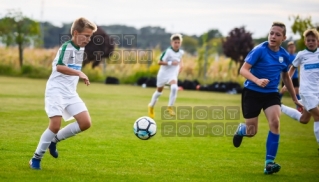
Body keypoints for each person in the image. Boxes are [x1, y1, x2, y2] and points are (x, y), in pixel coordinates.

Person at [233, 22, 302, 174]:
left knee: (275, 123)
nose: (273, 36)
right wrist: (257, 80)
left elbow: (286, 77)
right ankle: (241, 130)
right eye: (271, 33)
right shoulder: (259, 50)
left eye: (277, 34)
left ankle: (269, 163)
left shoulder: (283, 55)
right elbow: (243, 70)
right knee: (251, 131)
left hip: (271, 93)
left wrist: (295, 98)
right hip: (252, 92)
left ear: (283, 38)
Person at [29, 17, 97, 170]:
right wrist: (79, 73)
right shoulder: (67, 47)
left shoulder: (81, 48)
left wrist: (77, 74)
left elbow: (70, 69)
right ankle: (36, 158)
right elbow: (60, 67)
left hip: (70, 92)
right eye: (86, 35)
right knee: (55, 125)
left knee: (85, 123)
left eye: (90, 36)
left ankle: (54, 141)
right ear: (75, 33)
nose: (88, 39)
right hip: (56, 91)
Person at [280, 29, 319, 151]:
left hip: (317, 91)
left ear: (317, 41)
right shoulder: (301, 55)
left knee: (304, 119)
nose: (311, 42)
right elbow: (292, 69)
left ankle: (280, 106)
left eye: (313, 40)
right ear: (305, 42)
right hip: (306, 92)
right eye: (308, 40)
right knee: (318, 116)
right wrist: (288, 82)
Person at [148, 34, 184, 118]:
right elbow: (159, 62)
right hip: (163, 74)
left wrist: (181, 66)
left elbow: (180, 60)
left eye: (178, 42)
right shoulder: (167, 51)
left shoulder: (181, 52)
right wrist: (171, 63)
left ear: (180, 43)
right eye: (175, 42)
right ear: (172, 43)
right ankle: (151, 106)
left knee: (174, 88)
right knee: (158, 92)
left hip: (172, 75)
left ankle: (170, 107)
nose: (177, 44)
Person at [279, 41, 300, 107]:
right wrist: (289, 66)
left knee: (296, 91)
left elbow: (298, 64)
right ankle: (277, 101)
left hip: (295, 76)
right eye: (290, 47)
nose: (291, 48)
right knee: (283, 90)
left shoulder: (296, 56)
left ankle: (299, 105)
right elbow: (283, 64)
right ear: (288, 48)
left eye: (292, 47)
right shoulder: (286, 56)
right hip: (287, 76)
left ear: (295, 48)